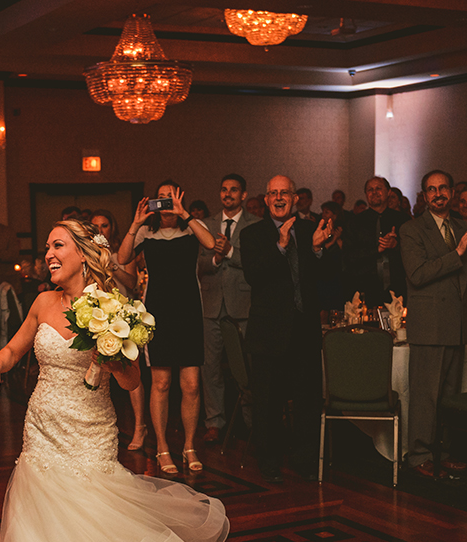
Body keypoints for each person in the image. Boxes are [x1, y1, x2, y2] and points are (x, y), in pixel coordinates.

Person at [0, 218, 267, 542]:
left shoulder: (114, 307)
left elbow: (133, 380)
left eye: (57, 245)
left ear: (83, 254)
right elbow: (13, 349)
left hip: (90, 427)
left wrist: (110, 357)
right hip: (43, 427)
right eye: (47, 246)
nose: (48, 253)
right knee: (41, 523)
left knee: (94, 515)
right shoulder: (43, 302)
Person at [117, 180, 216, 475]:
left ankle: (188, 446)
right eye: (160, 199)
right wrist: (135, 224)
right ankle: (161, 447)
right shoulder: (147, 232)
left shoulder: (190, 227)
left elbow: (210, 244)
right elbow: (122, 258)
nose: (165, 204)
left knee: (192, 385)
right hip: (157, 313)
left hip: (189, 313)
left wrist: (185, 213)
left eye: (170, 198)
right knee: (161, 383)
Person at [240, 175, 331, 482]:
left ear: (295, 199)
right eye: (273, 193)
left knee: (307, 401)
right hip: (268, 334)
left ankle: (305, 461)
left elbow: (325, 281)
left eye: (285, 193)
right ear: (266, 200)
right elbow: (254, 276)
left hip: (304, 331)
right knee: (267, 403)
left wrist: (318, 251)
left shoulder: (310, 230)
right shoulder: (252, 234)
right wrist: (280, 246)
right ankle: (268, 461)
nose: (279, 198)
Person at [400, 170, 467, 479]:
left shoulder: (463, 226)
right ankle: (420, 455)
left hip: (457, 323)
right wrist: (459, 253)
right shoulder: (411, 229)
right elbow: (418, 274)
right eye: (431, 189)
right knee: (425, 395)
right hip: (429, 324)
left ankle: (445, 451)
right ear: (424, 196)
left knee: (450, 394)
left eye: (443, 188)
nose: (438, 194)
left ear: (451, 193)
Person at [199, 173, 261, 445]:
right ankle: (214, 422)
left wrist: (231, 252)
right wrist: (215, 256)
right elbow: (199, 265)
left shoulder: (255, 225)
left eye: (234, 190)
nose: (228, 195)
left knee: (246, 369)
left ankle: (251, 422)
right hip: (212, 306)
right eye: (224, 190)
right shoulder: (208, 224)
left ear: (244, 195)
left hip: (243, 306)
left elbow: (259, 266)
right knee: (210, 368)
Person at [90, 208, 147, 451]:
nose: (100, 230)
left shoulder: (122, 252)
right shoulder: (85, 254)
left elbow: (132, 283)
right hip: (96, 314)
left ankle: (139, 426)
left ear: (111, 228)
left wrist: (110, 265)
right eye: (95, 226)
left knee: (130, 372)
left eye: (104, 225)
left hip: (121, 314)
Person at [343, 175, 409, 307]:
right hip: (365, 290)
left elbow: (415, 252)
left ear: (388, 192)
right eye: (370, 190)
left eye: (378, 188)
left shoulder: (403, 220)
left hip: (399, 290)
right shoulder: (354, 223)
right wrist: (376, 249)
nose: (374, 193)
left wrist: (396, 246)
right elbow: (348, 256)